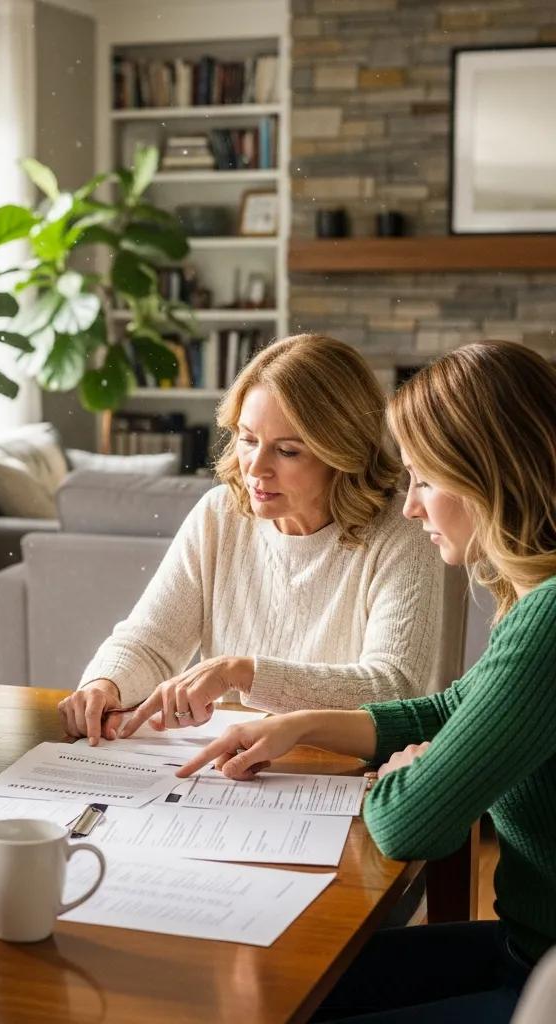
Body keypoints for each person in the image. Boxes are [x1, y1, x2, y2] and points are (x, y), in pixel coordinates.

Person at [176, 340, 556, 1022]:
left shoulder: (550, 621)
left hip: (540, 978)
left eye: (425, 481)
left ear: (488, 477)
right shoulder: (535, 601)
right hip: (525, 949)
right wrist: (302, 724)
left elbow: (409, 821)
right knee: (278, 980)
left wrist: (401, 775)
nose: (410, 507)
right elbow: (449, 707)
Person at [59, 333, 445, 744]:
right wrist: (105, 684)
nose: (256, 468)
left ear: (342, 453)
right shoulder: (219, 513)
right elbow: (152, 642)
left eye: (288, 451)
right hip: (225, 768)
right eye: (247, 439)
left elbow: (392, 689)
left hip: (340, 774)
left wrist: (242, 672)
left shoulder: (404, 531)